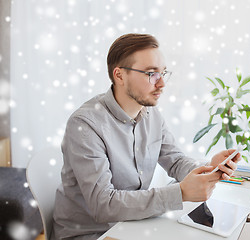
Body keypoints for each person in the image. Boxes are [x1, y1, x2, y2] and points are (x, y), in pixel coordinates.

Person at [51, 33, 240, 240]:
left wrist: (207, 169)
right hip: (93, 234)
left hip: (132, 225)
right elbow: (103, 205)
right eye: (151, 74)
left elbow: (175, 161)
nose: (161, 84)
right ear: (119, 75)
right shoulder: (85, 124)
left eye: (163, 73)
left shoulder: (151, 114)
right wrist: (181, 193)